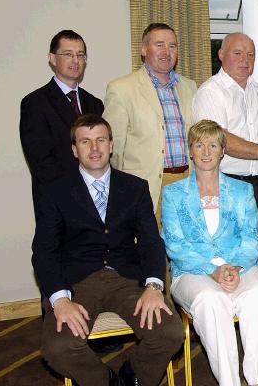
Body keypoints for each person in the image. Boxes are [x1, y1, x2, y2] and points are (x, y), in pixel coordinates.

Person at [32, 114, 184, 386]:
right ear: (74, 149)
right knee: (59, 348)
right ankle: (107, 382)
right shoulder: (55, 192)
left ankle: (133, 375)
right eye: (85, 141)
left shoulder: (135, 188)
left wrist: (153, 286)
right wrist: (60, 300)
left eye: (101, 140)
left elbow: (150, 241)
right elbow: (44, 252)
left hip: (128, 279)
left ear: (111, 145)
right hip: (76, 283)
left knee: (170, 333)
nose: (94, 148)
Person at [162, 120, 258, 386]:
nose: (206, 151)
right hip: (193, 270)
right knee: (211, 300)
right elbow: (175, 245)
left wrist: (235, 266)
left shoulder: (243, 191)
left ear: (222, 151)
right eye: (199, 145)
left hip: (241, 265)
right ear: (191, 152)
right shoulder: (172, 194)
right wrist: (213, 270)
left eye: (213, 145)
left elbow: (252, 238)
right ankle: (228, 382)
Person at [193, 32, 258, 306]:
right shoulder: (209, 92)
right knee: (229, 253)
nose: (245, 60)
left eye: (250, 54)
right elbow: (219, 140)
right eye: (237, 53)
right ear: (221, 55)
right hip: (225, 185)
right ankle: (229, 314)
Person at [103, 22, 197, 218]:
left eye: (172, 46)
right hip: (144, 187)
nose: (167, 51)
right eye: (159, 45)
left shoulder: (190, 87)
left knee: (185, 248)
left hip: (187, 184)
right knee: (149, 248)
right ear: (144, 49)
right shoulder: (122, 89)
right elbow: (113, 147)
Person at [20, 30, 104, 212]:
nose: (75, 61)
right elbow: (41, 161)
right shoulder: (35, 103)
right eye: (68, 54)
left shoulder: (95, 103)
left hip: (97, 201)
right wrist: (80, 191)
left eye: (80, 55)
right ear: (52, 58)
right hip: (57, 202)